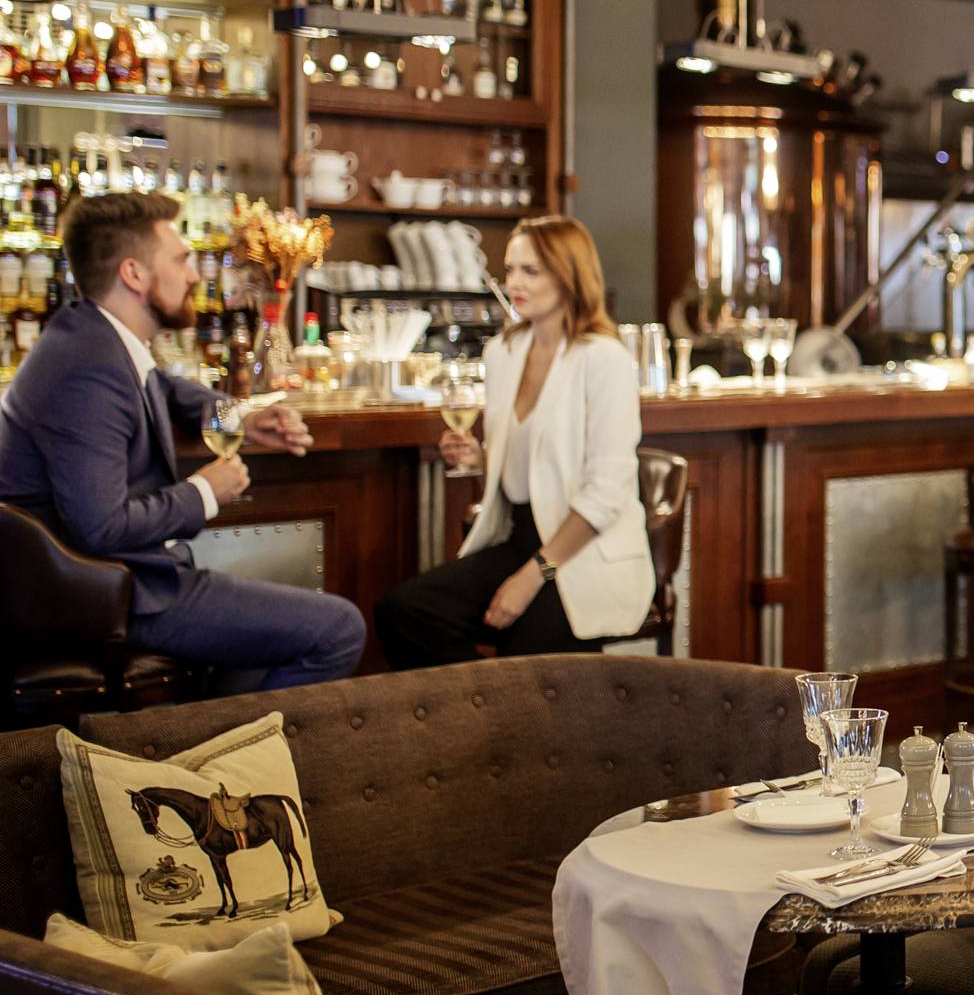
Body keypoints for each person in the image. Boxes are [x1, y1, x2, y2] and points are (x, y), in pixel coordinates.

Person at [0, 191, 366, 690]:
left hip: (122, 580)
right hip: (117, 593)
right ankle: (243, 759)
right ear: (133, 274)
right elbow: (100, 527)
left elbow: (162, 385)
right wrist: (206, 491)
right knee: (340, 628)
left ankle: (222, 749)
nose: (194, 274)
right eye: (180, 259)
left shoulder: (92, 337)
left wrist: (238, 416)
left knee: (270, 644)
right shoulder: (86, 372)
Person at [376, 216, 653, 668]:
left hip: (583, 551)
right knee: (405, 612)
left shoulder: (605, 359)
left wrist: (532, 575)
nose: (514, 283)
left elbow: (607, 494)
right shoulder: (503, 352)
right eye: (509, 270)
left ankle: (504, 723)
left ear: (569, 275)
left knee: (524, 664)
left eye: (531, 271)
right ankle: (480, 723)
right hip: (519, 536)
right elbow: (536, 467)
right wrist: (482, 457)